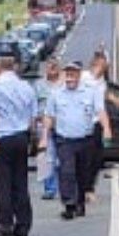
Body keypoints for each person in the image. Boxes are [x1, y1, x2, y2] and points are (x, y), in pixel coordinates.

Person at [0, 53, 37, 236]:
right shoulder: (26, 87)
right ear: (15, 67)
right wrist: (30, 138)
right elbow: (33, 118)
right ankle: (23, 224)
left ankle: (5, 224)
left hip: (3, 138)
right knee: (20, 181)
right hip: (21, 137)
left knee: (3, 183)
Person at [44, 60, 109, 218]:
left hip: (85, 139)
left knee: (82, 173)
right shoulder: (56, 93)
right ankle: (69, 204)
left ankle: (80, 203)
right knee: (66, 171)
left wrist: (107, 129)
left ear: (79, 75)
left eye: (73, 74)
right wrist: (44, 137)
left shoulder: (90, 92)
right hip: (65, 139)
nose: (70, 78)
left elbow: (100, 111)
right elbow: (49, 116)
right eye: (68, 74)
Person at [82, 51, 110, 201]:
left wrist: (106, 128)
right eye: (101, 64)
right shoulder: (84, 77)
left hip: (96, 122)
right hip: (82, 122)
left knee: (97, 158)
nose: (103, 68)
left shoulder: (102, 83)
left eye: (104, 65)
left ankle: (89, 186)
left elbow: (102, 105)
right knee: (84, 157)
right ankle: (85, 188)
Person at [34, 58, 62, 199]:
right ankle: (49, 189)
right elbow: (33, 105)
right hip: (43, 126)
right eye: (50, 66)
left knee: (62, 158)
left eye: (55, 66)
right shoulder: (38, 85)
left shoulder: (64, 84)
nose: (52, 68)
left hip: (62, 125)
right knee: (46, 158)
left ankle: (64, 187)